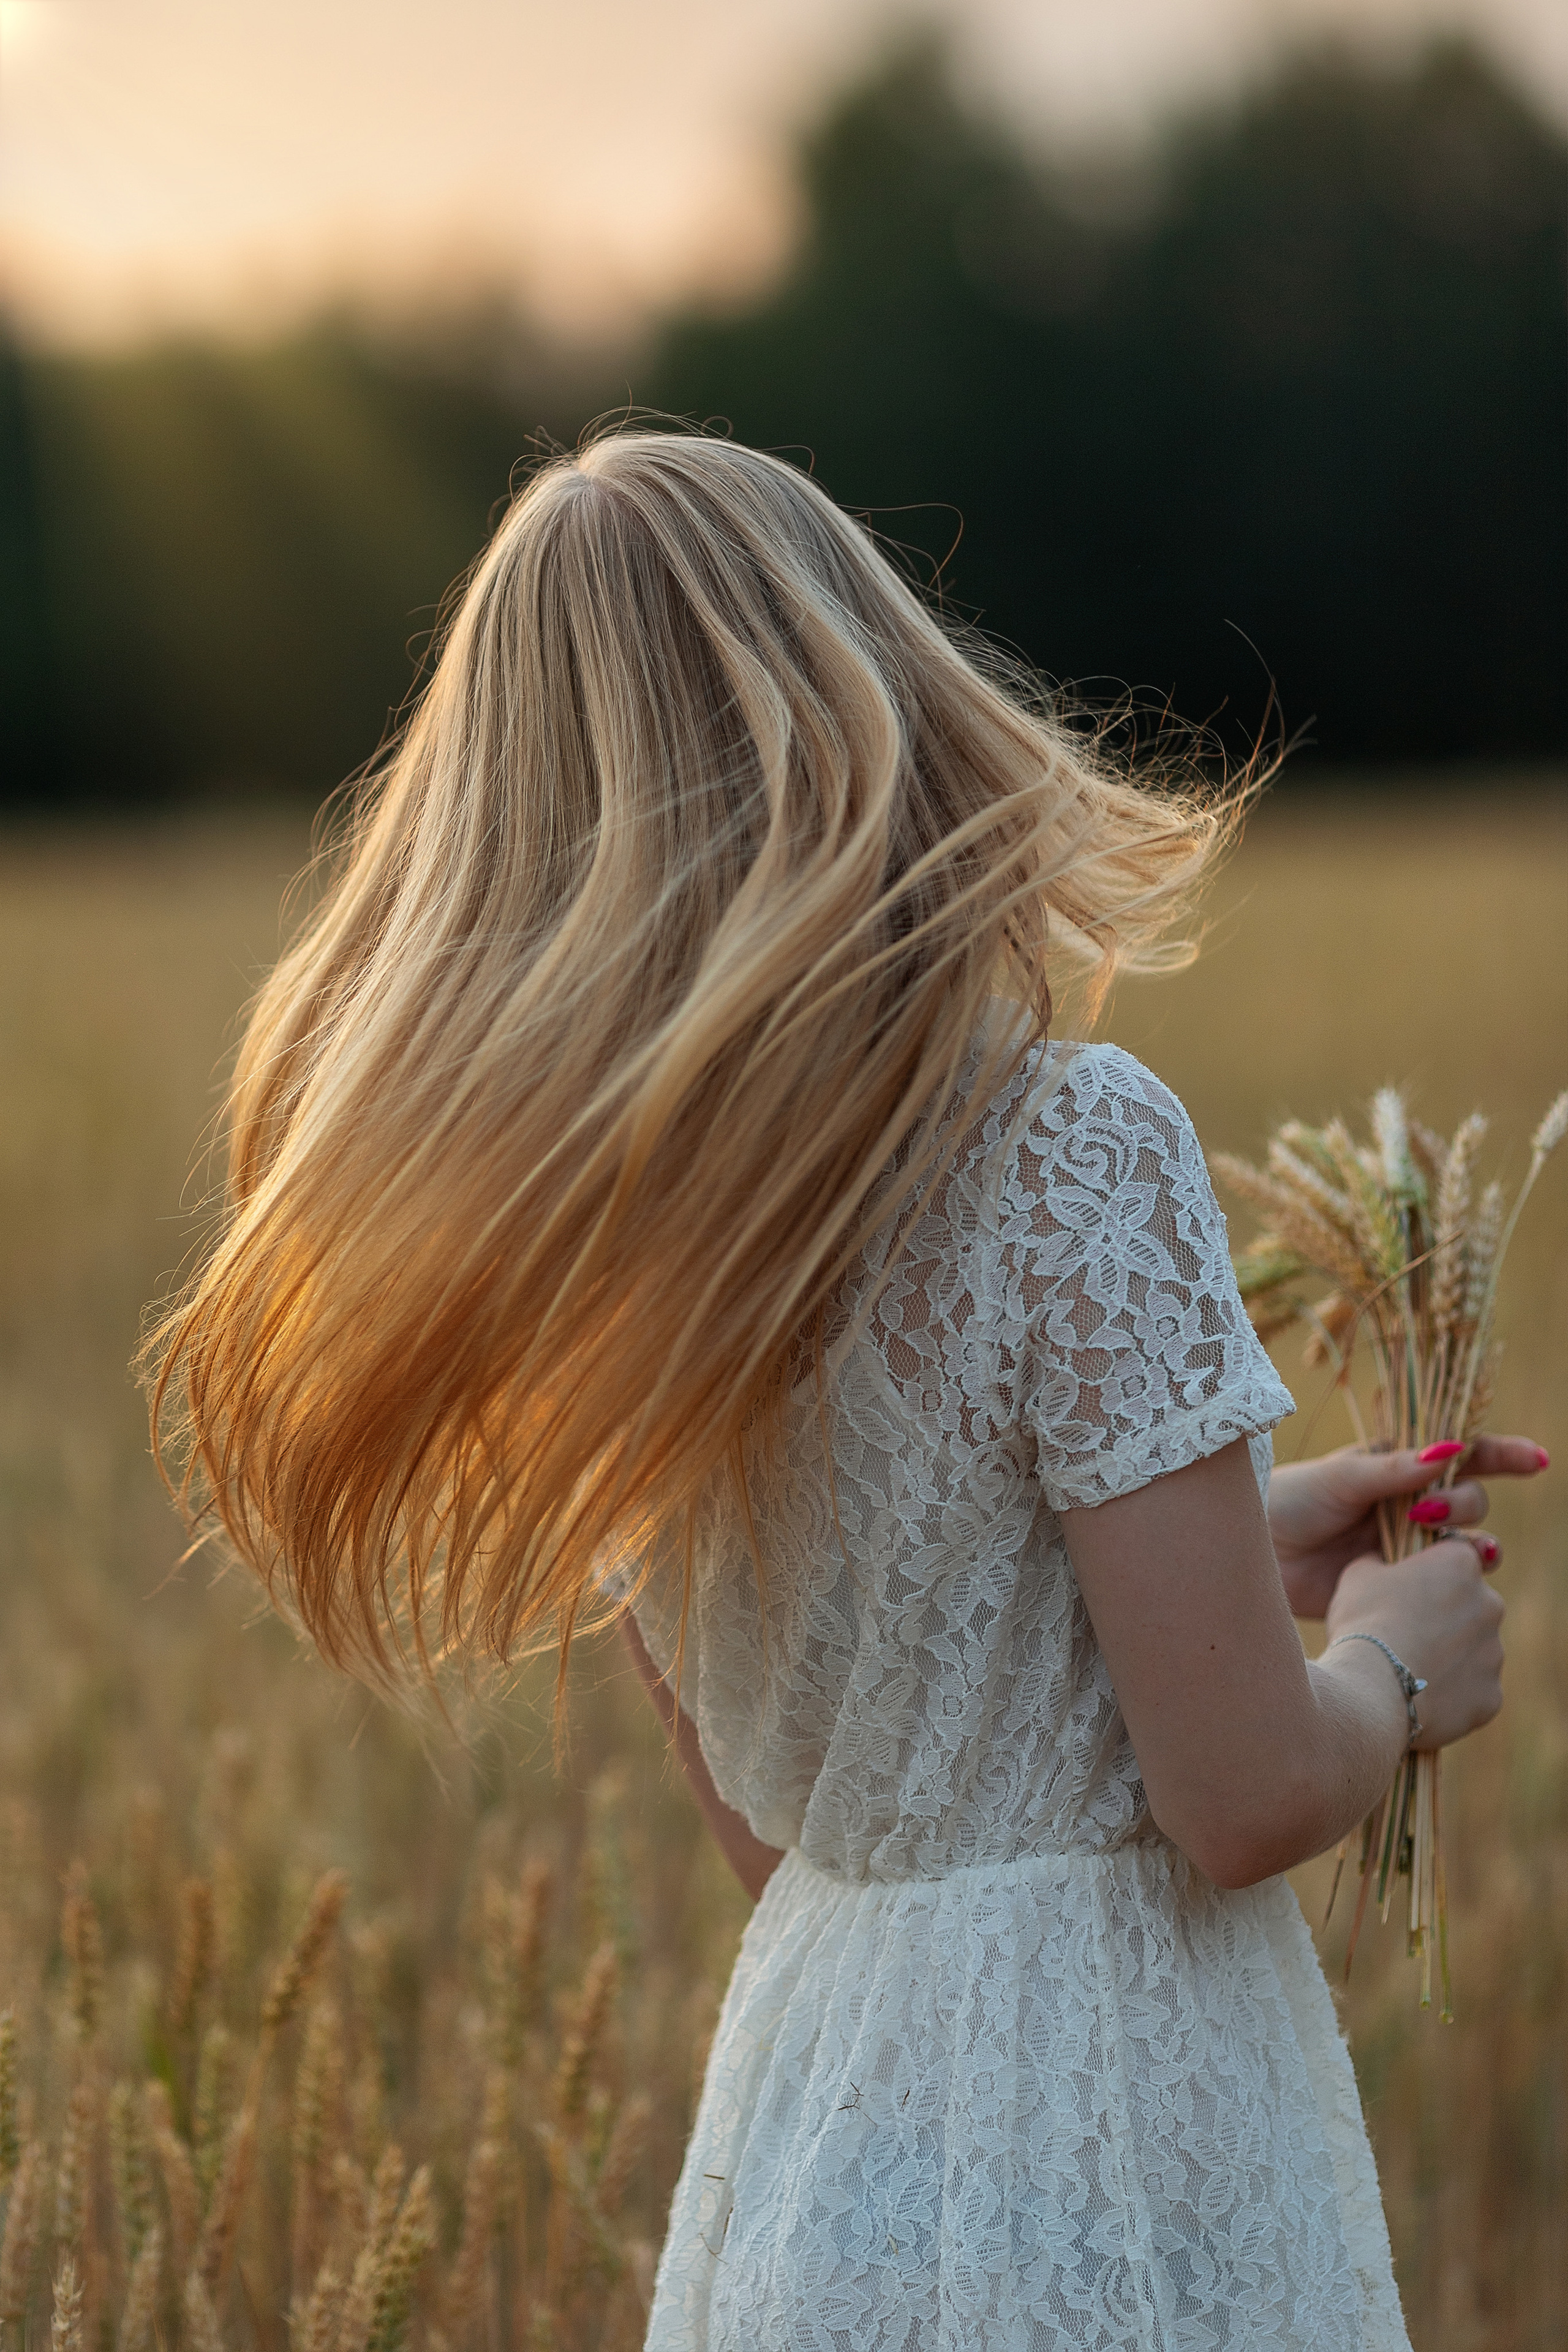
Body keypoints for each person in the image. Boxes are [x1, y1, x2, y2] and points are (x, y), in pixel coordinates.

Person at [148, 429, 1547, 2351]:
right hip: (1116, 2150)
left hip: (827, 2144)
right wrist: (1398, 1664)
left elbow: (800, 1818)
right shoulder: (1069, 1141)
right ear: (869, 705)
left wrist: (1211, 1559)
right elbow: (1240, 1800)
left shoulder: (610, 1264)